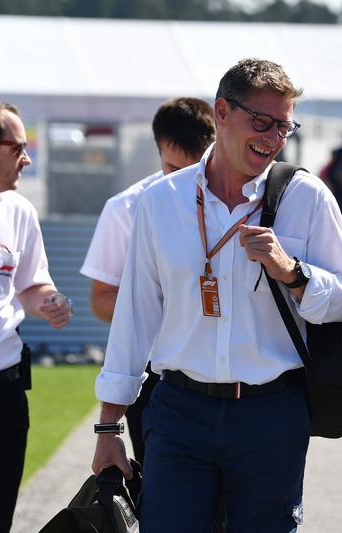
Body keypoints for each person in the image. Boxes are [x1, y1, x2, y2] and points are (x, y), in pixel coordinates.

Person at [91, 58, 342, 532]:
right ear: (221, 112)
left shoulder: (307, 196)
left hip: (271, 413)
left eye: (284, 126)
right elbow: (135, 316)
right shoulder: (162, 200)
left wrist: (294, 273)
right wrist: (109, 426)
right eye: (262, 121)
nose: (274, 137)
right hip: (179, 411)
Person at [80, 96, 216, 465]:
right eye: (174, 167)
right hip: (156, 376)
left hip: (225, 372)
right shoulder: (126, 207)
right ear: (157, 150)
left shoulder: (235, 200)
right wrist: (168, 309)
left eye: (196, 167)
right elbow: (101, 299)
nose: (184, 180)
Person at [0, 99, 72, 533]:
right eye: (18, 147)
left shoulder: (19, 212)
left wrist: (50, 301)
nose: (28, 158)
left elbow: (29, 285)